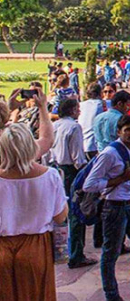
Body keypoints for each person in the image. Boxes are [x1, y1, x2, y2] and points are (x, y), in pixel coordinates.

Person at [0, 92, 68, 301]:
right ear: (31, 145)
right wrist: (43, 108)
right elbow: (60, 217)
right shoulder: (50, 176)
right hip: (35, 247)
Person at [83, 114, 130, 299]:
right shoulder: (110, 153)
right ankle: (111, 294)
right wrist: (119, 179)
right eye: (128, 130)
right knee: (111, 253)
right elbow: (89, 184)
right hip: (114, 207)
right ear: (119, 132)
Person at [47, 98, 97, 269]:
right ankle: (76, 254)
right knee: (76, 213)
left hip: (56, 170)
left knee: (62, 212)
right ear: (73, 110)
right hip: (71, 172)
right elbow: (78, 158)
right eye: (77, 108)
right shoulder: (74, 127)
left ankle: (64, 251)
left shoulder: (55, 126)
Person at [78, 83, 105, 159]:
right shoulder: (101, 104)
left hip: (82, 144)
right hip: (95, 145)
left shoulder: (80, 105)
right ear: (100, 93)